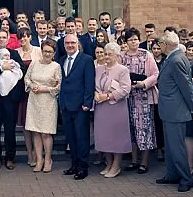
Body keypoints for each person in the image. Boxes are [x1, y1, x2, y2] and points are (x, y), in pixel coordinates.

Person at [155, 31, 193, 192]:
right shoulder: (172, 58)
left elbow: (186, 86)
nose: (159, 47)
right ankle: (172, 174)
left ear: (166, 45)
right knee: (170, 146)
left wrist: (192, 106)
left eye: (161, 44)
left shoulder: (177, 59)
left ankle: (186, 179)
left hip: (176, 110)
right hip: (169, 110)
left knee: (177, 146)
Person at [57, 33, 95, 180]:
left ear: (77, 43)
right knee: (71, 138)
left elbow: (89, 83)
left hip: (80, 106)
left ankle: (83, 167)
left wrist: (87, 103)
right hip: (66, 105)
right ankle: (73, 164)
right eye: (67, 43)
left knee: (82, 138)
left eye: (72, 43)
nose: (70, 45)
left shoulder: (86, 60)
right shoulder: (62, 60)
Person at [120, 28, 157, 174]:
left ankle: (144, 161)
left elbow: (155, 74)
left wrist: (144, 83)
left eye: (135, 39)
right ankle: (133, 160)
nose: (133, 42)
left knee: (145, 128)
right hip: (127, 97)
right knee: (131, 129)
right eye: (130, 40)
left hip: (143, 97)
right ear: (126, 42)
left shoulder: (146, 54)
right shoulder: (121, 56)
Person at [93, 43, 132, 178]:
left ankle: (116, 165)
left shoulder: (122, 70)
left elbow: (126, 89)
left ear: (117, 56)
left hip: (116, 108)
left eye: (110, 54)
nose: (106, 56)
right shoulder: (98, 69)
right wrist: (95, 94)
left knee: (116, 137)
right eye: (105, 53)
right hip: (101, 108)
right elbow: (93, 85)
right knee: (104, 137)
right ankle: (108, 163)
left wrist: (108, 96)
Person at [25, 39, 61, 172]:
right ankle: (39, 159)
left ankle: (48, 159)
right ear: (41, 51)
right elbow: (26, 78)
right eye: (45, 51)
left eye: (50, 52)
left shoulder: (56, 66)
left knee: (46, 133)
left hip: (48, 101)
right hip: (34, 100)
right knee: (36, 132)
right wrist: (32, 86)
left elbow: (58, 86)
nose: (47, 54)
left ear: (54, 53)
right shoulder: (34, 64)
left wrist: (44, 89)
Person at [0, 30, 25, 170]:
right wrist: (1, 68)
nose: (1, 40)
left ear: (8, 39)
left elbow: (21, 69)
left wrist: (10, 69)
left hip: (11, 98)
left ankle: (10, 157)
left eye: (4, 37)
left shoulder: (14, 53)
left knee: (10, 128)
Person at [15, 27, 38, 167]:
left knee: (34, 125)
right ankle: (30, 153)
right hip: (22, 92)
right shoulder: (15, 53)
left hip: (35, 91)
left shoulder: (38, 51)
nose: (23, 39)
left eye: (25, 36)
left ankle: (37, 152)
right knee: (25, 125)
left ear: (30, 37)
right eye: (20, 37)